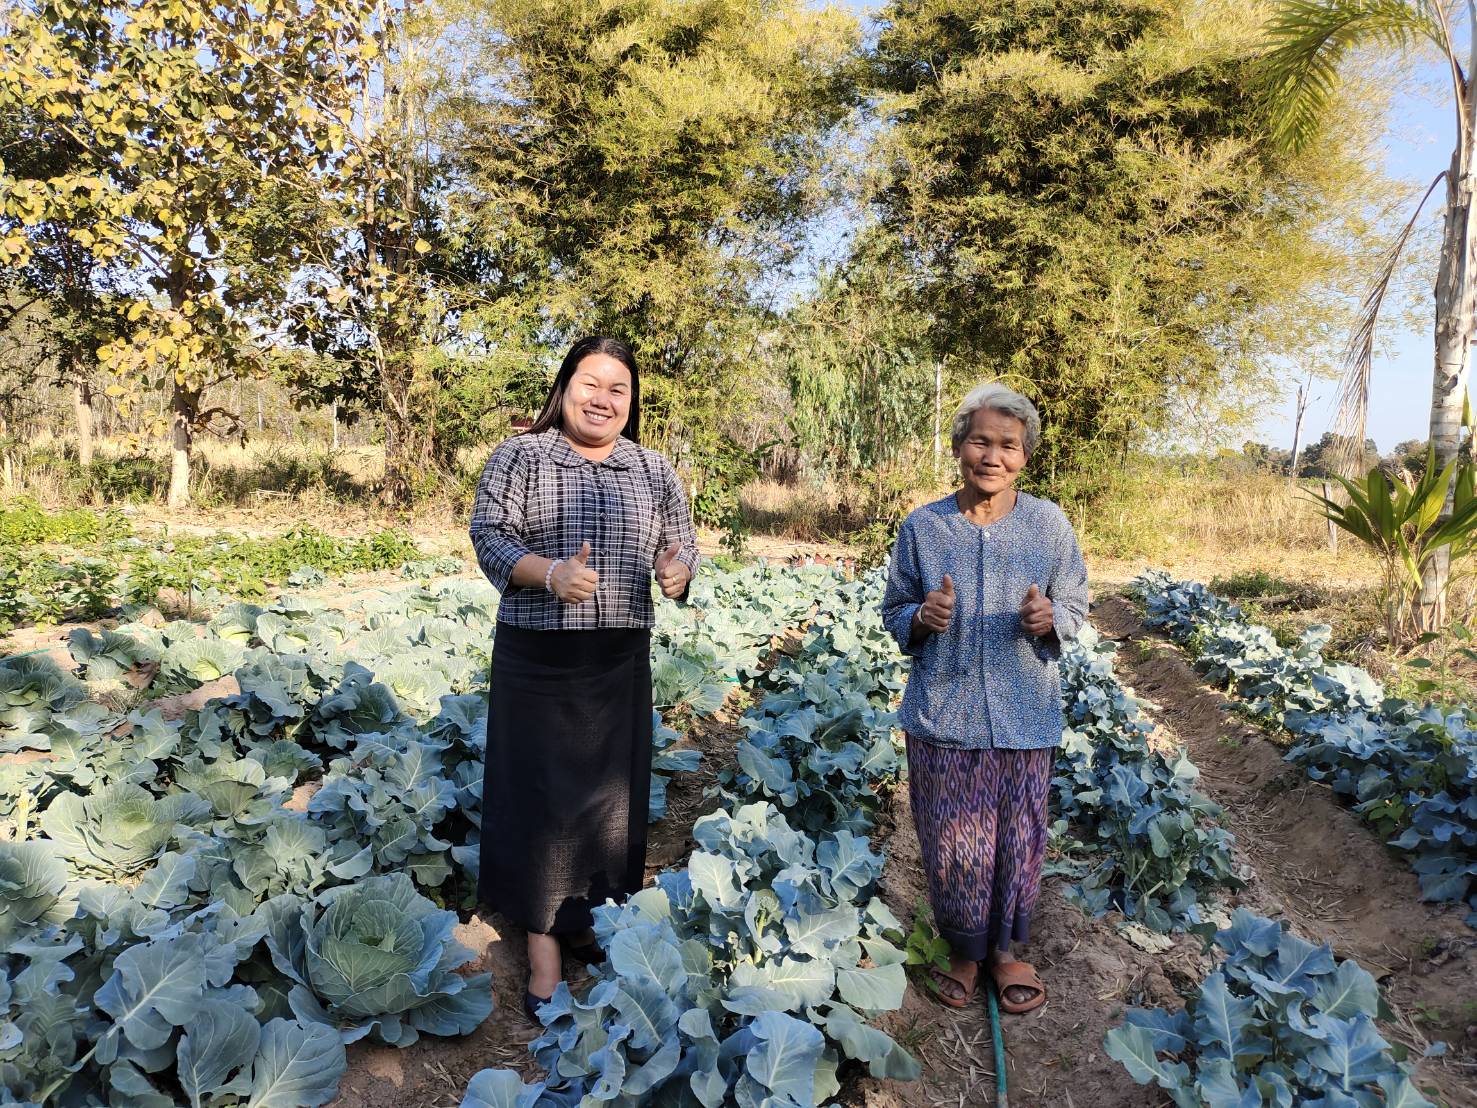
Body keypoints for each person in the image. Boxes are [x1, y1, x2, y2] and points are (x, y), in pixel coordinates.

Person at [467, 335, 698, 1020]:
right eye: (590, 383)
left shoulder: (652, 468)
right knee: (540, 799)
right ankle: (542, 941)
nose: (603, 398)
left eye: (617, 388)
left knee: (609, 796)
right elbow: (489, 534)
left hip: (618, 654)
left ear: (632, 401)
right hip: (538, 655)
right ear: (564, 386)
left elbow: (681, 542)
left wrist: (677, 571)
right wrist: (550, 574)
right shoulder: (521, 455)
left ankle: (589, 917)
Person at [881, 381, 1088, 1013]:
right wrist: (922, 616)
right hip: (946, 712)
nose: (992, 456)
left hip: (1025, 712)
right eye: (979, 442)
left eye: (1008, 445)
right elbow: (894, 610)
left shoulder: (1049, 525)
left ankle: (1006, 950)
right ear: (958, 448)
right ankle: (964, 949)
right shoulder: (924, 527)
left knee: (1019, 836)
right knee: (953, 838)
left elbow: (1076, 604)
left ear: (1024, 455)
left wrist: (1050, 619)